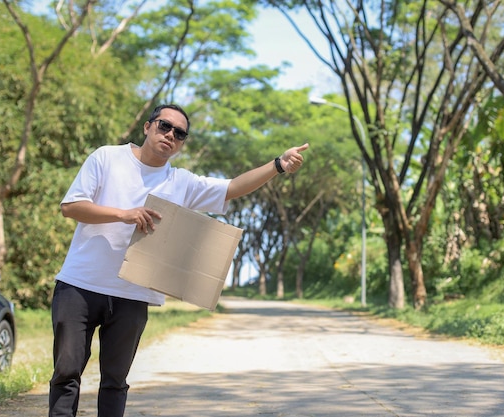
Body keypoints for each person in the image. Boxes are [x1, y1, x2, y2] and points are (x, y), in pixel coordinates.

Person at [49, 103, 309, 417]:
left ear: (182, 144)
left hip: (133, 294)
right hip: (79, 286)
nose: (170, 134)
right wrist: (125, 214)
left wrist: (278, 165)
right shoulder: (107, 157)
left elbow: (232, 188)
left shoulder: (181, 182)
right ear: (148, 127)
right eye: (164, 126)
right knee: (66, 373)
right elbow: (71, 207)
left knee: (115, 381)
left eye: (179, 133)